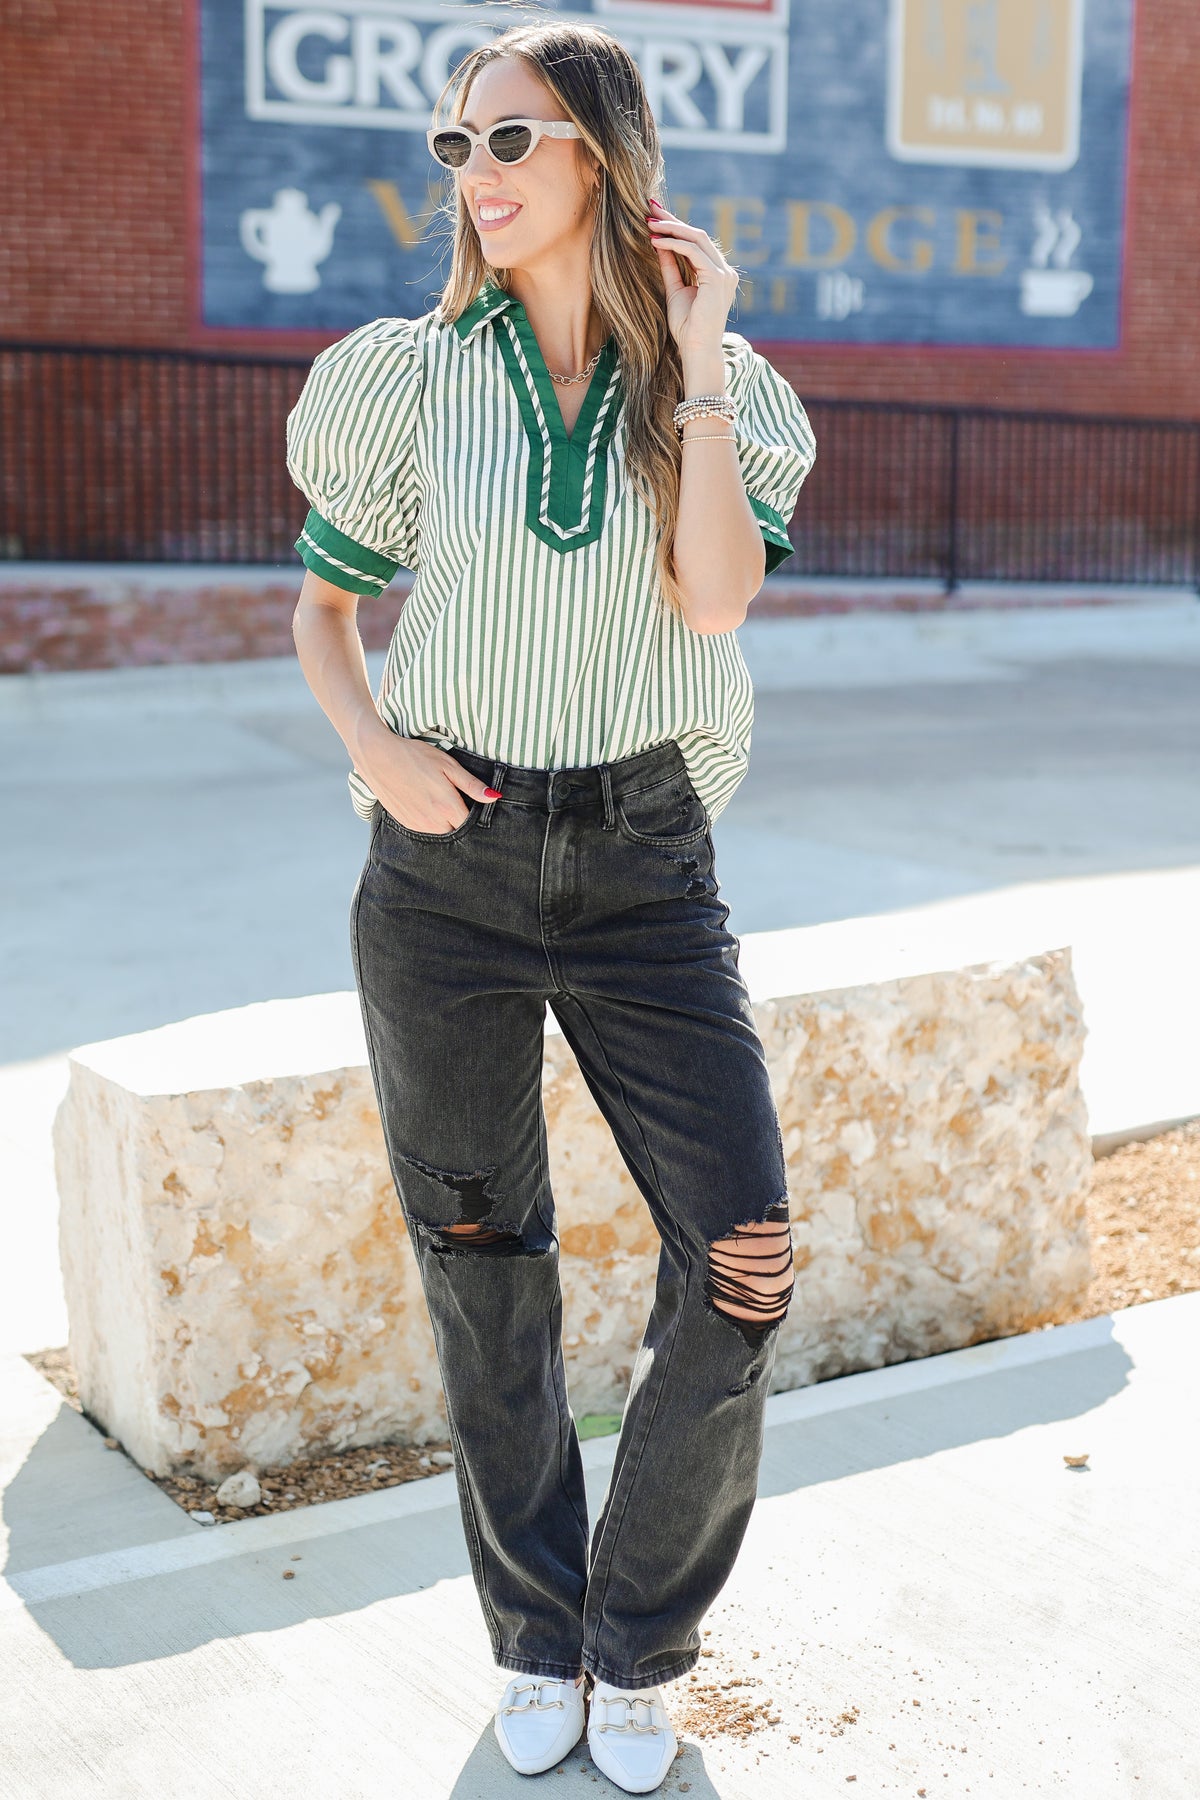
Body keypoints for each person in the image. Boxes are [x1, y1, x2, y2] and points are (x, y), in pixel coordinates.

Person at [286, 20, 815, 1793]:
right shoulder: (400, 377)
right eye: (456, 147)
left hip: (649, 863)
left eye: (507, 139)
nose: (475, 175)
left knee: (743, 1259)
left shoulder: (716, 396)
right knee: (485, 1267)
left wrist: (709, 349)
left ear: (600, 154)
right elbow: (322, 617)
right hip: (444, 869)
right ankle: (534, 1634)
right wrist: (380, 752)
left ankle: (637, 1636)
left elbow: (719, 605)